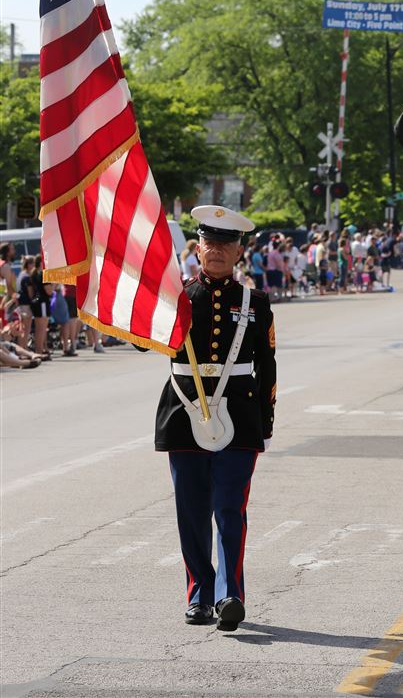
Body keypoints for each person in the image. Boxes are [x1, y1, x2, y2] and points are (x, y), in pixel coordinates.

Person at [154, 205, 276, 632]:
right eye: (210, 243)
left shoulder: (256, 303)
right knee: (191, 512)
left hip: (239, 418)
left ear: (239, 250)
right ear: (198, 247)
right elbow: (140, 340)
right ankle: (199, 597)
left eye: (227, 243)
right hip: (184, 414)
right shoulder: (178, 298)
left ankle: (229, 596)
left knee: (229, 509)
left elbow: (267, 367)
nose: (218, 251)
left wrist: (265, 420)